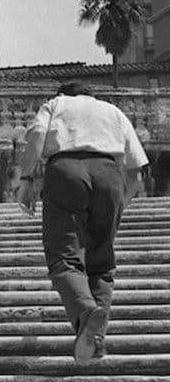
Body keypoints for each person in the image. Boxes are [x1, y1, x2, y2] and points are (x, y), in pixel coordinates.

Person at [15, 81, 148, 364]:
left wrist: (26, 179)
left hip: (67, 172)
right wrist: (117, 206)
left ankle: (87, 311)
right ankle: (94, 340)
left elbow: (38, 134)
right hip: (110, 175)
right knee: (101, 264)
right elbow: (137, 174)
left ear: (64, 94)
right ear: (92, 96)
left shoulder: (56, 104)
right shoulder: (113, 111)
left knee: (63, 257)